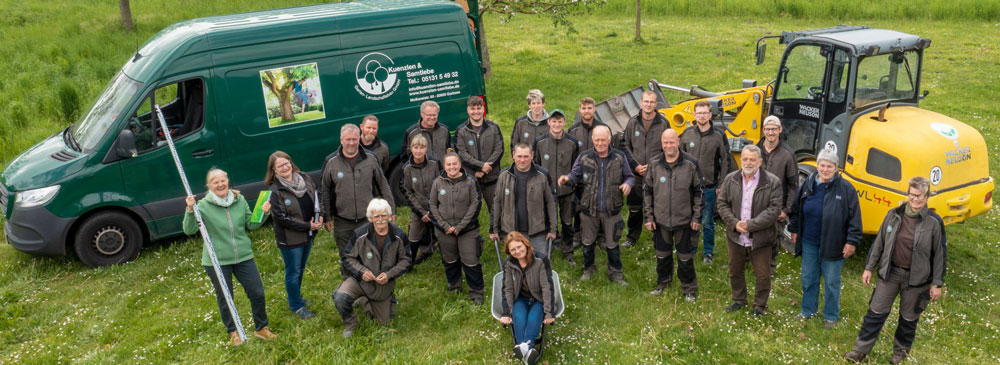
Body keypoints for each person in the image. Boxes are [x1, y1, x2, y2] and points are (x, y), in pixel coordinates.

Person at [845, 177, 946, 364]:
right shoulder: (893, 214)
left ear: (927, 196)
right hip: (890, 274)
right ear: (907, 194)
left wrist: (937, 283)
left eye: (919, 196)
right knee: (875, 314)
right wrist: (869, 267)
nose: (915, 199)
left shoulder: (934, 222)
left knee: (908, 321)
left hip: (917, 281)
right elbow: (879, 244)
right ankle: (859, 351)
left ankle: (899, 355)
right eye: (912, 194)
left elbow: (939, 254)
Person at [183, 168, 276, 346]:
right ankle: (233, 332)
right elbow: (189, 230)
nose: (220, 184)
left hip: (243, 256)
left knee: (257, 293)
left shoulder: (238, 200)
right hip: (216, 261)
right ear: (209, 186)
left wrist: (263, 212)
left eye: (223, 180)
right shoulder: (202, 205)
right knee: (226, 298)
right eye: (215, 182)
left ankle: (261, 328)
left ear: (227, 181)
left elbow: (252, 224)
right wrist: (189, 209)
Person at [787, 148, 862, 328]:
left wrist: (851, 241)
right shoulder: (808, 184)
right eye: (822, 165)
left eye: (830, 166)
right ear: (817, 166)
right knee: (808, 278)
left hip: (834, 244)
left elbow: (855, 218)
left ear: (836, 168)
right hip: (809, 242)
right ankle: (808, 310)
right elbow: (796, 209)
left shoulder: (846, 189)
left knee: (832, 281)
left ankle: (830, 316)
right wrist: (794, 229)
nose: (825, 169)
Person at [558, 125, 634, 285]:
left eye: (603, 140)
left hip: (612, 211)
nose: (600, 143)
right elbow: (575, 174)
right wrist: (567, 178)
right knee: (587, 244)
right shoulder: (584, 157)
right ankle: (588, 270)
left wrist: (628, 184)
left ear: (609, 140)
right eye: (597, 140)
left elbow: (629, 176)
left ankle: (616, 274)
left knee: (613, 245)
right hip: (588, 211)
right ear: (593, 140)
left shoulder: (619, 157)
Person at [716, 144, 782, 315]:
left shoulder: (772, 182)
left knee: (763, 275)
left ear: (760, 161)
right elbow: (722, 203)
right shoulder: (731, 179)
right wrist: (734, 223)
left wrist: (750, 225)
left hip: (761, 237)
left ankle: (759, 306)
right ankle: (739, 300)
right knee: (735, 270)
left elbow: (774, 210)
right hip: (735, 235)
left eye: (752, 159)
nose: (748, 162)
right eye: (745, 159)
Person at [332, 198, 411, 338]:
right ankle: (351, 323)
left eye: (384, 215)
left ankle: (370, 300)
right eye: (376, 216)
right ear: (370, 218)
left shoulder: (399, 235)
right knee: (340, 298)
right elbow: (347, 257)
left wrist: (389, 275)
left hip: (382, 285)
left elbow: (407, 260)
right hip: (359, 281)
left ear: (389, 216)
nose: (380, 219)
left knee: (384, 323)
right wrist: (362, 272)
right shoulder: (360, 234)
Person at [322, 124, 395, 267]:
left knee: (370, 254)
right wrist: (327, 216)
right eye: (347, 139)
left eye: (354, 139)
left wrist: (392, 208)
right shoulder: (331, 162)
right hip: (342, 220)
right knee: (347, 256)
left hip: (367, 218)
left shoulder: (371, 158)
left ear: (359, 138)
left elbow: (383, 184)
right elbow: (324, 190)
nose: (351, 143)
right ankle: (349, 286)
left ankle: (371, 284)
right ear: (341, 140)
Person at [643, 129, 704, 300]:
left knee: (685, 258)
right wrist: (648, 217)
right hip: (660, 221)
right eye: (665, 142)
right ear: (661, 143)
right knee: (662, 256)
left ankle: (689, 289)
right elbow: (647, 191)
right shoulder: (654, 164)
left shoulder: (691, 163)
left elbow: (699, 191)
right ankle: (663, 283)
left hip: (684, 222)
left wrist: (696, 217)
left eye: (672, 142)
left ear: (678, 141)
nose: (668, 146)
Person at [266, 151, 324, 320]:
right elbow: (282, 218)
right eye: (280, 166)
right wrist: (308, 225)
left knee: (300, 269)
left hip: (309, 234)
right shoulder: (276, 190)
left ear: (291, 162)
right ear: (274, 170)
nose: (285, 167)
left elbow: (317, 196)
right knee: (293, 271)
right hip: (290, 239)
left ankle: (297, 298)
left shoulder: (304, 178)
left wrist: (321, 217)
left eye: (287, 163)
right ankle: (296, 306)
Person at [681, 100, 733, 264]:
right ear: (694, 115)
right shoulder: (687, 133)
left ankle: (708, 253)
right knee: (689, 219)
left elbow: (726, 160)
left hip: (709, 187)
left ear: (710, 115)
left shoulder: (718, 135)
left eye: (705, 113)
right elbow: (679, 158)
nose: (702, 116)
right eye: (699, 113)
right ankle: (691, 248)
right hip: (689, 187)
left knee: (707, 221)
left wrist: (722, 184)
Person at [429, 152, 485, 304]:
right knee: (450, 261)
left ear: (460, 165)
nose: (452, 167)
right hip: (444, 231)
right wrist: (445, 226)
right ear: (444, 166)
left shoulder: (471, 182)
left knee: (471, 262)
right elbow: (433, 205)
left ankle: (476, 292)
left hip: (467, 230)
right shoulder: (437, 183)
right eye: (449, 164)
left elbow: (475, 204)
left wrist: (460, 226)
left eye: (455, 164)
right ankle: (454, 288)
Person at [498, 232, 556, 365]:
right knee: (520, 318)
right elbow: (507, 288)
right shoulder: (509, 264)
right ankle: (528, 352)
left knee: (533, 318)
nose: (517, 251)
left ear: (526, 244)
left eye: (519, 247)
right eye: (513, 250)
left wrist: (549, 312)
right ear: (509, 252)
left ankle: (522, 348)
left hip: (538, 299)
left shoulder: (540, 260)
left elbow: (547, 287)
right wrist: (506, 312)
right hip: (520, 299)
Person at [491, 143, 558, 258]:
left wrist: (553, 229)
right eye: (519, 156)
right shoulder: (504, 175)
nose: (522, 160)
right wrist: (494, 228)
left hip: (538, 232)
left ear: (532, 155)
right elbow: (497, 203)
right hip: (512, 233)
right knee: (515, 267)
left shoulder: (543, 175)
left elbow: (551, 203)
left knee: (540, 266)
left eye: (526, 156)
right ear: (513, 155)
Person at [622, 90, 669, 248]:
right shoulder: (632, 122)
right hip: (636, 174)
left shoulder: (663, 123)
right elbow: (624, 145)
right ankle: (632, 237)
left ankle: (658, 237)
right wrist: (635, 165)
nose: (648, 105)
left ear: (656, 104)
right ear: (641, 103)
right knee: (635, 208)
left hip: (656, 173)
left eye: (652, 102)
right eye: (646, 101)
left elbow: (667, 148)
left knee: (657, 207)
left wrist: (653, 164)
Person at [533, 109, 580, 263]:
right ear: (548, 122)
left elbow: (575, 166)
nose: (557, 124)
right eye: (554, 121)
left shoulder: (572, 142)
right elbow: (536, 166)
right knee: (548, 222)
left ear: (564, 122)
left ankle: (568, 252)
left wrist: (571, 182)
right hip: (547, 192)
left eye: (560, 121)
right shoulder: (540, 142)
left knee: (567, 222)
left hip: (567, 191)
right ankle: (550, 248)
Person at [756, 115, 798, 273]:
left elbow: (794, 185)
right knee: (750, 235)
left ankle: (769, 269)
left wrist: (786, 210)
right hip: (755, 204)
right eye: (767, 129)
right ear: (763, 130)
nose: (770, 132)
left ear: (780, 130)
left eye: (774, 129)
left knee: (773, 239)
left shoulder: (787, 154)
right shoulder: (756, 150)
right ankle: (750, 264)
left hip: (776, 207)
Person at [454, 95, 504, 218]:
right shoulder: (461, 130)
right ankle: (472, 237)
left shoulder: (493, 128)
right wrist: (480, 167)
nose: (476, 111)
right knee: (468, 213)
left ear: (483, 109)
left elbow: (499, 150)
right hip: (470, 179)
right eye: (473, 109)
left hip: (491, 178)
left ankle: (498, 234)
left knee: (497, 211)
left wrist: (487, 168)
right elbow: (461, 153)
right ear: (468, 110)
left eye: (478, 108)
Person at [400, 135, 441, 266]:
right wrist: (421, 212)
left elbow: (441, 186)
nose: (418, 151)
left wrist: (432, 210)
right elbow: (408, 192)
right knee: (413, 234)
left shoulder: (435, 163)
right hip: (419, 208)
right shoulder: (407, 168)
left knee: (444, 232)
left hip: (438, 206)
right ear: (411, 149)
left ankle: (444, 253)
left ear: (426, 149)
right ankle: (409, 262)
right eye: (415, 147)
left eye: (422, 147)